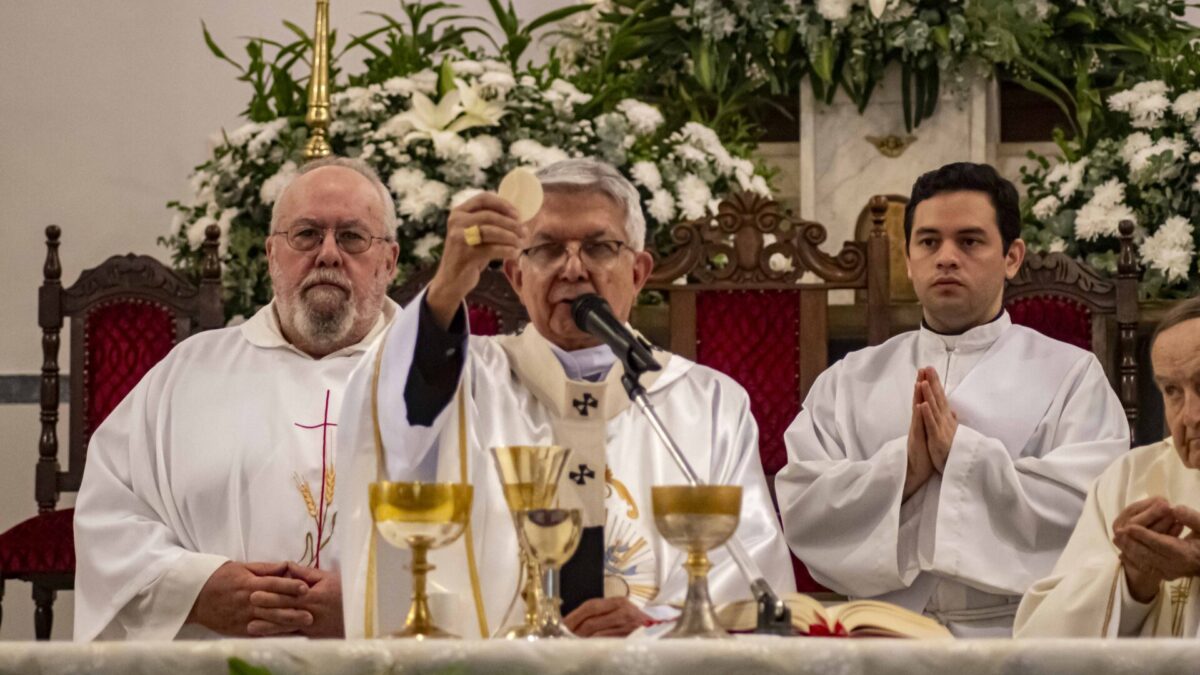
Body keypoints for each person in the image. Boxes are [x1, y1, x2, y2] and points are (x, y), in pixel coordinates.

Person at [335, 158, 794, 639]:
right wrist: (450, 285)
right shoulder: (459, 376)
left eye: (599, 247)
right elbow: (389, 416)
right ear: (515, 275)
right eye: (549, 249)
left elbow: (748, 571)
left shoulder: (707, 403)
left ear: (638, 272)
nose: (573, 268)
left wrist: (656, 625)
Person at [773, 162, 1130, 637]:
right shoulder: (850, 379)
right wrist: (903, 471)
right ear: (907, 259)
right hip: (881, 636)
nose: (946, 257)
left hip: (1017, 636)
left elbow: (1095, 506)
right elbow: (804, 503)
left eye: (970, 241)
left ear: (1012, 257)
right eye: (928, 241)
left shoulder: (1071, 374)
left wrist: (962, 457)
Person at [73, 157, 401, 640]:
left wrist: (373, 605)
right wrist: (197, 591)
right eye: (306, 234)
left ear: (389, 261)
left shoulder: (444, 381)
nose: (328, 254)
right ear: (271, 255)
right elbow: (110, 515)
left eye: (352, 237)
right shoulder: (187, 375)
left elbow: (493, 539)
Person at [1015, 297, 1200, 637]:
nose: (1190, 416)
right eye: (1172, 390)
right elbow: (1039, 639)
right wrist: (1131, 578)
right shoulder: (1129, 478)